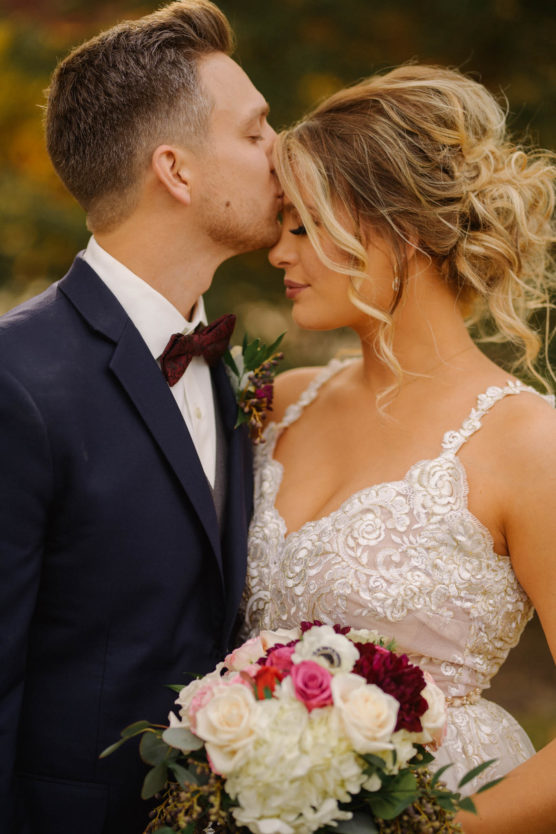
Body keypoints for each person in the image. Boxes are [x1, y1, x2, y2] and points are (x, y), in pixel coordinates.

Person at [242, 65, 556, 832]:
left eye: (304, 226)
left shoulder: (529, 442)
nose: (279, 252)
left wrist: (432, 828)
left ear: (401, 231)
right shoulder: (279, 403)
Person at [0, 1, 282, 832]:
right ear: (176, 171)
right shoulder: (16, 380)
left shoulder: (229, 369)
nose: (282, 151)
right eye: (256, 132)